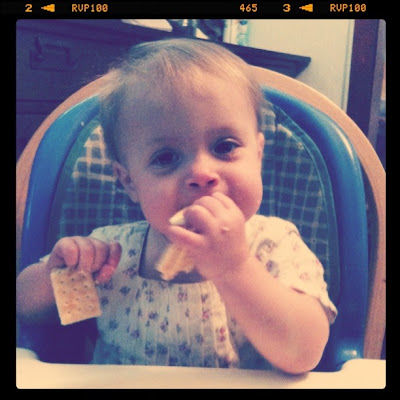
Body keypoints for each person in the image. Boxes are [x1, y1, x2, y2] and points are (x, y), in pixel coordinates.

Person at [16, 38, 337, 374]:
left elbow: (304, 353)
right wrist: (58, 274)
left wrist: (236, 268)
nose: (201, 173)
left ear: (257, 156)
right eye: (166, 157)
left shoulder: (273, 246)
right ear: (128, 181)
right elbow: (29, 310)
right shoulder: (112, 255)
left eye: (225, 146)